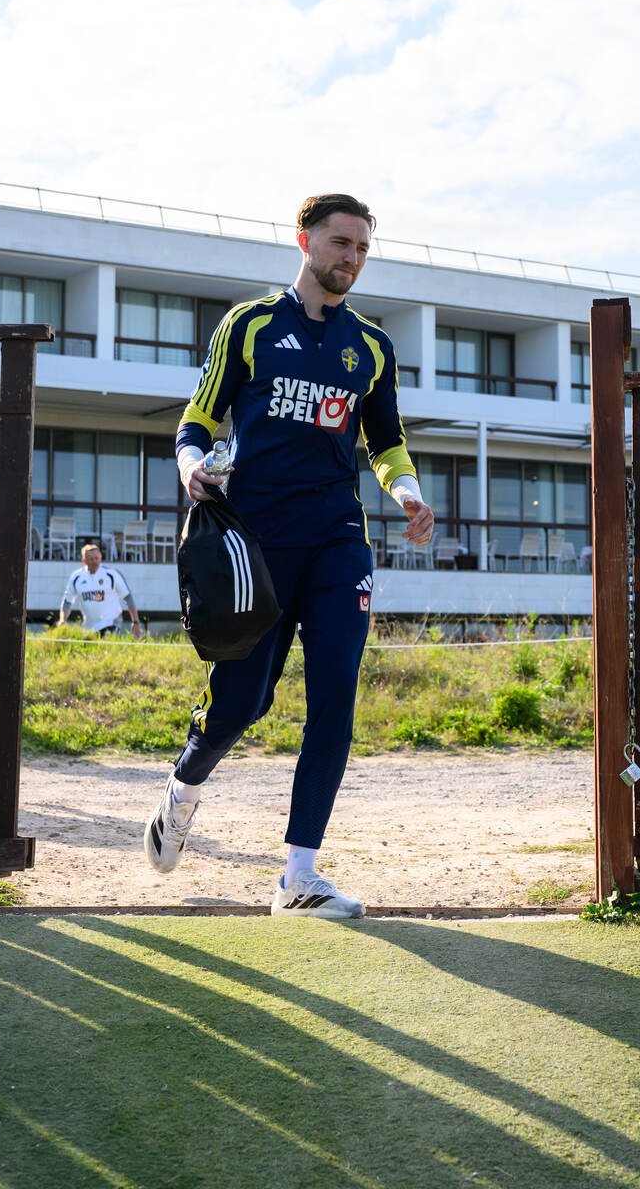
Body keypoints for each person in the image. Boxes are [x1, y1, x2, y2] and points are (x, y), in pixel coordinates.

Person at [143, 193, 435, 918]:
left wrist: (407, 493)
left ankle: (299, 876)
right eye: (341, 243)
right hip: (256, 543)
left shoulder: (371, 346)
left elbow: (386, 441)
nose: (352, 259)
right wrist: (189, 468)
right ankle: (183, 790)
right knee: (242, 702)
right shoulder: (248, 325)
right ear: (303, 239)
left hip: (338, 541)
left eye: (363, 248)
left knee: (334, 698)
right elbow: (198, 419)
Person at [57, 543, 143, 637]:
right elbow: (67, 602)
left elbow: (128, 598)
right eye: (91, 559)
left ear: (101, 557)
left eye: (96, 558)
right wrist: (62, 620)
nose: (94, 561)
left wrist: (135, 621)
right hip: (89, 626)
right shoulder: (76, 577)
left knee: (106, 644)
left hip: (111, 622)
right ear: (84, 561)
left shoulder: (111, 574)